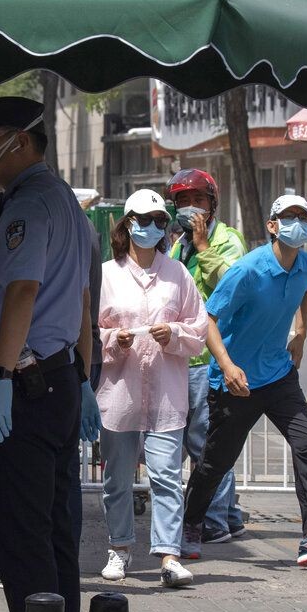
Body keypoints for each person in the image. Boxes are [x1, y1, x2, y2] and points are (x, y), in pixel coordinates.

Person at [0, 96, 101, 612]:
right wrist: (84, 377)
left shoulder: (28, 205)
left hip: (23, 385)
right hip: (58, 377)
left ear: (20, 140)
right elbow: (82, 298)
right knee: (55, 525)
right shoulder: (65, 201)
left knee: (20, 530)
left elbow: (23, 291)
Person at [182, 194, 307, 567]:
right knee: (216, 462)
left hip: (278, 376)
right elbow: (208, 320)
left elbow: (306, 288)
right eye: (289, 216)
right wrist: (227, 366)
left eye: (304, 217)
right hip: (236, 382)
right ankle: (190, 522)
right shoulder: (248, 270)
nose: (298, 223)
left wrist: (302, 331)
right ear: (272, 226)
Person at [96, 188, 208, 587]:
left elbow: (199, 328)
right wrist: (113, 340)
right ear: (127, 224)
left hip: (165, 394)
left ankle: (169, 555)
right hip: (119, 394)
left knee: (166, 477)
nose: (152, 228)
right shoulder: (107, 275)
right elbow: (91, 333)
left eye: (160, 221)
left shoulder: (177, 274)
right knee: (118, 478)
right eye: (144, 220)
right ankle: (119, 548)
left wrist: (173, 333)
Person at [166, 168, 248, 547]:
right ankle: (228, 515)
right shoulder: (175, 244)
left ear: (212, 204)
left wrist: (203, 248)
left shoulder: (226, 240)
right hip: (184, 356)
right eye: (184, 201)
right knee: (201, 442)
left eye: (198, 200)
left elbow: (234, 287)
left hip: (212, 358)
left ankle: (213, 520)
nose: (191, 208)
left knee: (206, 445)